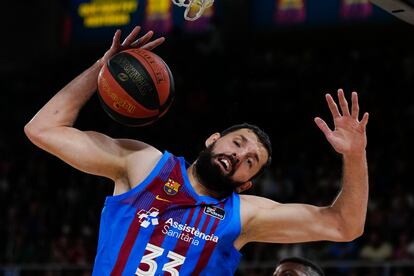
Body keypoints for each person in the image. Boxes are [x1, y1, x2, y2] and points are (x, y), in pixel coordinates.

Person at [24, 26, 369, 275]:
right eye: (237, 143)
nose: (238, 155)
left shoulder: (244, 216)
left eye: (251, 161)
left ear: (247, 183)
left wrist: (354, 155)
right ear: (212, 139)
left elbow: (345, 225)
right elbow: (43, 129)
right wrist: (103, 68)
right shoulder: (144, 166)